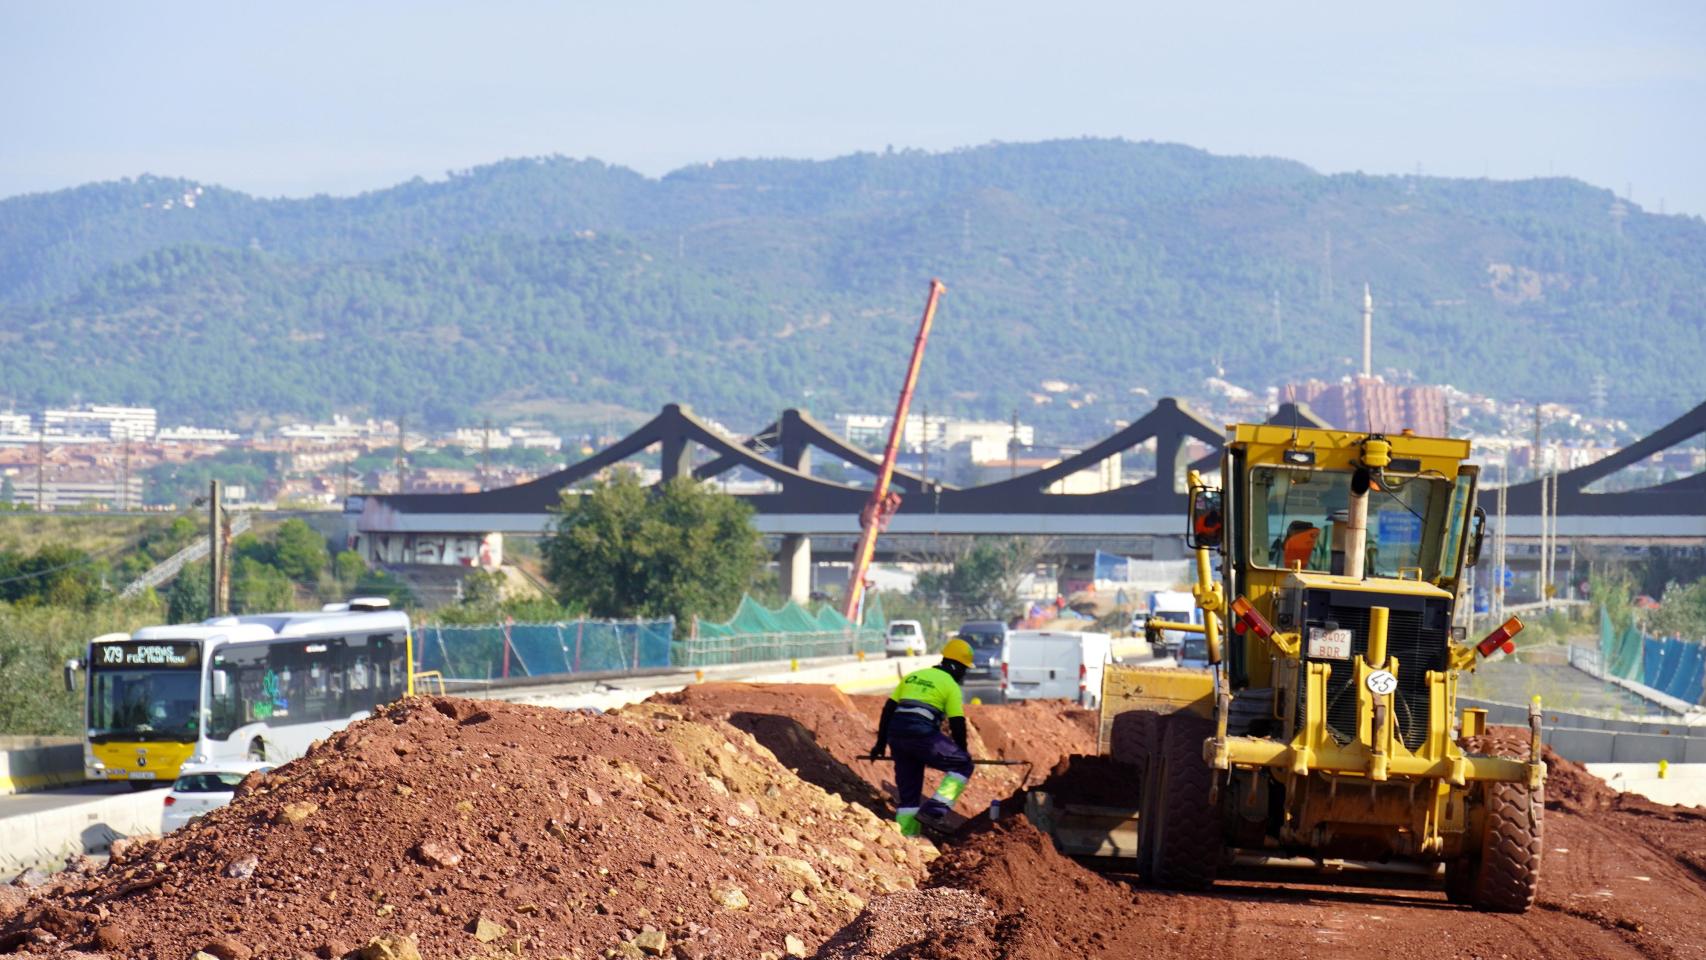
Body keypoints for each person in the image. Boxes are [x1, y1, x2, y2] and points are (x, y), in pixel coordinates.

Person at [870, 638, 976, 837]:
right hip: (921, 735)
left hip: (896, 736)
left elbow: (888, 710)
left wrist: (881, 743)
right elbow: (957, 723)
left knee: (909, 795)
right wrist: (962, 752)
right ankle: (933, 811)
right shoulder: (950, 685)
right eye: (965, 669)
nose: (964, 675)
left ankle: (906, 839)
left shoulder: (913, 676)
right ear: (956, 666)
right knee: (963, 766)